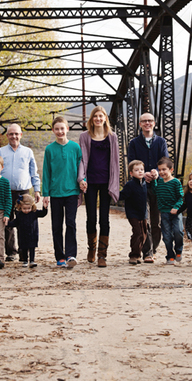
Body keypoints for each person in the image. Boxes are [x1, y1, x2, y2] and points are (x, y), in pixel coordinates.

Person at [0, 123, 41, 262]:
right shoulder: (0, 152)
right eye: (11, 134)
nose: (14, 136)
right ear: (7, 136)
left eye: (16, 134)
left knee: (24, 222)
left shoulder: (28, 152)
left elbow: (33, 172)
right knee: (6, 221)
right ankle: (11, 252)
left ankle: (24, 252)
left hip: (23, 192)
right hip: (4, 191)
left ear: (21, 135)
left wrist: (37, 190)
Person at [78, 106, 120, 267]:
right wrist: (81, 178)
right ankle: (91, 248)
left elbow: (115, 161)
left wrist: (115, 182)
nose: (98, 118)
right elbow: (81, 159)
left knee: (104, 219)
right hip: (90, 182)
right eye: (95, 116)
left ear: (105, 118)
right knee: (91, 218)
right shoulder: (84, 136)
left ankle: (102, 255)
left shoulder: (112, 137)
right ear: (91, 119)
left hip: (106, 181)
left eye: (101, 116)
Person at [127, 113, 169, 263]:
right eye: (144, 121)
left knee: (156, 221)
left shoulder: (161, 142)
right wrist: (142, 174)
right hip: (140, 187)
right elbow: (131, 163)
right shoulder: (134, 143)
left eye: (150, 121)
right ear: (140, 124)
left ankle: (154, 248)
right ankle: (147, 252)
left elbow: (165, 160)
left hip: (158, 186)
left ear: (154, 123)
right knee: (145, 221)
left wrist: (158, 172)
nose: (147, 123)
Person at [42, 116, 82, 268]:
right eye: (56, 129)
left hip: (72, 191)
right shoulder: (49, 149)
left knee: (70, 223)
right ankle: (60, 257)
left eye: (62, 128)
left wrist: (82, 181)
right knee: (56, 225)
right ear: (53, 130)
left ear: (67, 129)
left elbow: (81, 167)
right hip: (56, 192)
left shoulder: (75, 147)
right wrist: (45, 194)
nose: (60, 131)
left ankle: (71, 255)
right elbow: (46, 172)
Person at [154, 157, 184, 265]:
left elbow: (181, 197)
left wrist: (176, 207)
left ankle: (179, 250)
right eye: (159, 170)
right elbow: (155, 192)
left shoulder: (176, 182)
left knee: (178, 232)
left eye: (164, 169)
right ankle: (170, 255)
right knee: (167, 236)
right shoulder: (159, 182)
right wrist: (153, 180)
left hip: (175, 212)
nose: (161, 172)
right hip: (164, 213)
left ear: (171, 170)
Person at [119, 160, 148, 265]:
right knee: (137, 232)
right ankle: (133, 255)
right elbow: (121, 196)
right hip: (133, 213)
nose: (140, 172)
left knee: (144, 234)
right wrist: (112, 192)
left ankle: (138, 254)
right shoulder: (130, 185)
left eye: (142, 170)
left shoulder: (144, 183)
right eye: (136, 170)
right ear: (131, 173)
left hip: (143, 213)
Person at [9, 194, 48, 268]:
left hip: (33, 234)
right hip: (23, 235)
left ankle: (32, 260)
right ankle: (25, 261)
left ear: (32, 206)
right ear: (20, 207)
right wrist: (7, 223)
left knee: (32, 248)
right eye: (24, 208)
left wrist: (45, 207)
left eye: (28, 208)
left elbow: (43, 214)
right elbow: (15, 223)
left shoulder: (34, 212)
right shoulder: (19, 214)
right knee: (24, 248)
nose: (26, 210)